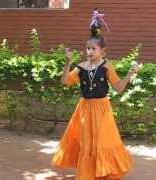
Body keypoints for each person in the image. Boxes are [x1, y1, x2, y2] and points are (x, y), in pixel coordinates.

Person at [52, 9, 141, 180]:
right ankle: (87, 174)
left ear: (103, 51)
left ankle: (105, 171)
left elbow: (118, 88)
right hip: (85, 108)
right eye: (87, 48)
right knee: (87, 142)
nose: (89, 51)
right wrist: (68, 63)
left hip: (102, 109)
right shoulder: (81, 67)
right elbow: (64, 82)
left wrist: (130, 74)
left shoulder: (107, 67)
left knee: (103, 140)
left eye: (93, 48)